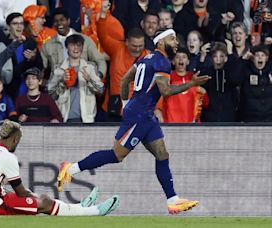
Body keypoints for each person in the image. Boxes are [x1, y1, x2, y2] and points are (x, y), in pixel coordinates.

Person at [56, 28, 210, 214]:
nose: (177, 42)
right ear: (161, 42)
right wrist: (192, 84)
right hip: (139, 116)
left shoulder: (145, 58)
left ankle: (173, 200)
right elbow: (166, 91)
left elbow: (125, 80)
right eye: (172, 38)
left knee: (162, 154)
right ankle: (70, 169)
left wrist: (125, 103)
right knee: (117, 155)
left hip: (145, 114)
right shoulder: (162, 61)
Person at [0, 120, 120, 216]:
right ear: (15, 139)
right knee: (44, 203)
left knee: (39, 200)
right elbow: (21, 192)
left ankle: (79, 207)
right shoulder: (8, 156)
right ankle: (94, 212)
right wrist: (36, 198)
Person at [47, 34, 104, 123]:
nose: (76, 48)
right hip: (64, 117)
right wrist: (62, 82)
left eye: (79, 45)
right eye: (72, 45)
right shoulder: (58, 69)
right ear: (67, 48)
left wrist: (89, 80)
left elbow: (100, 90)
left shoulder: (90, 67)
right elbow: (51, 95)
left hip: (86, 118)